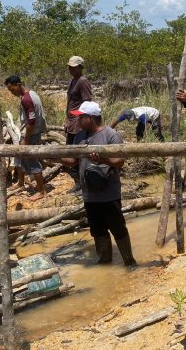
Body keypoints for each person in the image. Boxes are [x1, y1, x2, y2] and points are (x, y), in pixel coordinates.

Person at [54, 101, 137, 267]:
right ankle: (105, 262)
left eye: (80, 117)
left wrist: (103, 159)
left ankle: (129, 262)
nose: (77, 121)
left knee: (118, 229)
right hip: (90, 195)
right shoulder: (80, 136)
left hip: (109, 194)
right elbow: (73, 160)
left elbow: (119, 161)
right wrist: (54, 157)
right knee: (98, 231)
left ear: (90, 118)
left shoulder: (110, 135)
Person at [4, 75, 48, 201]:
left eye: (12, 90)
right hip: (32, 132)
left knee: (33, 161)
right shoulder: (31, 94)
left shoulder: (26, 99)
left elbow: (31, 121)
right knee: (21, 157)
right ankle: (21, 182)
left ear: (18, 85)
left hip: (32, 134)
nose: (12, 93)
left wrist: (26, 138)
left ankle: (41, 191)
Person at [65, 56, 93, 194]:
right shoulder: (72, 80)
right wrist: (68, 118)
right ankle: (78, 182)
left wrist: (77, 117)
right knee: (70, 151)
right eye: (69, 67)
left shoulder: (83, 81)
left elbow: (87, 103)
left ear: (80, 67)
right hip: (71, 121)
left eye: (73, 67)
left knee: (78, 153)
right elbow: (70, 101)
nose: (70, 69)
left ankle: (83, 184)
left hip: (78, 122)